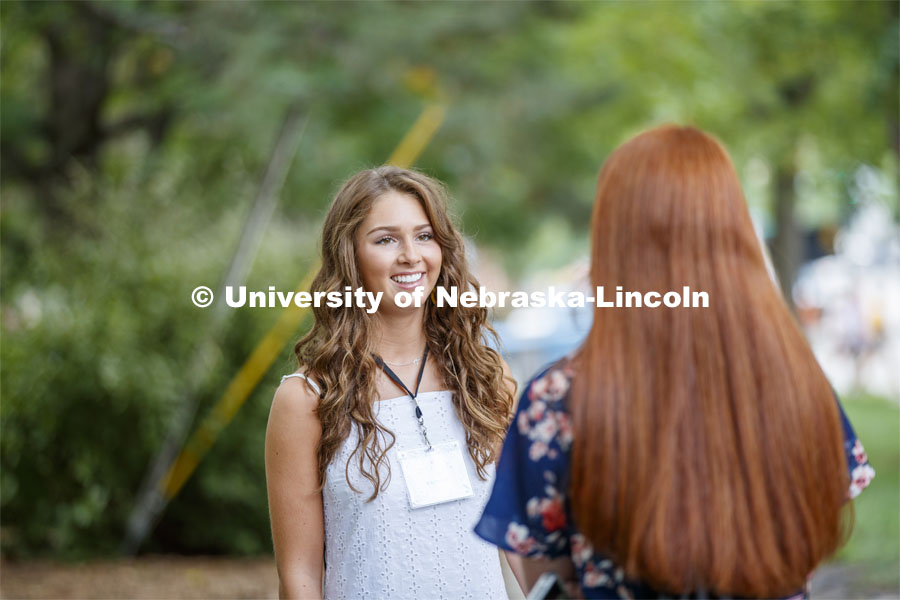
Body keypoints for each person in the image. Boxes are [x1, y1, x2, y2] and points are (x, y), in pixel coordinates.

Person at [475, 125, 875, 599]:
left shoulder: (557, 402)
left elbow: (545, 569)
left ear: (612, 237)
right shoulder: (796, 380)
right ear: (735, 231)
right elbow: (820, 520)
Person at [265, 166, 516, 599]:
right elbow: (299, 577)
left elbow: (525, 542)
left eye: (424, 236)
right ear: (350, 257)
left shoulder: (487, 379)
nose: (411, 256)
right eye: (386, 239)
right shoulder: (305, 400)